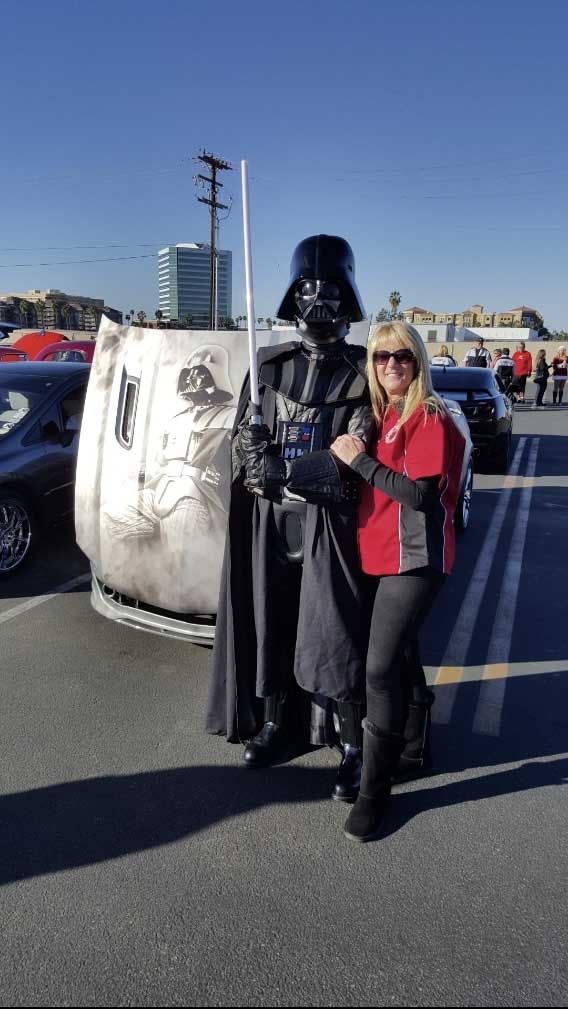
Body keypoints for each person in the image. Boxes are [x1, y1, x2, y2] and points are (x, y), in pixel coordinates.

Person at [206, 235, 373, 801]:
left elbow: (357, 454)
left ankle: (352, 743)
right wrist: (249, 452)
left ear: (347, 294)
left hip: (335, 526)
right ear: (293, 294)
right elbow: (240, 444)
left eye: (329, 289)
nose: (317, 299)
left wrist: (285, 472)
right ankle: (278, 723)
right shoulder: (270, 365)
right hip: (271, 521)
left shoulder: (365, 373)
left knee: (337, 630)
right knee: (271, 616)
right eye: (308, 288)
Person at [330, 321, 466, 842]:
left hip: (416, 559)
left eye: (403, 357)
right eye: (382, 356)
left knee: (380, 669)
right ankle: (413, 750)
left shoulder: (427, 415)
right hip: (380, 554)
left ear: (418, 362)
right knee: (404, 656)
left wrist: (357, 460)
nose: (391, 365)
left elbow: (420, 497)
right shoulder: (381, 414)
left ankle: (374, 792)